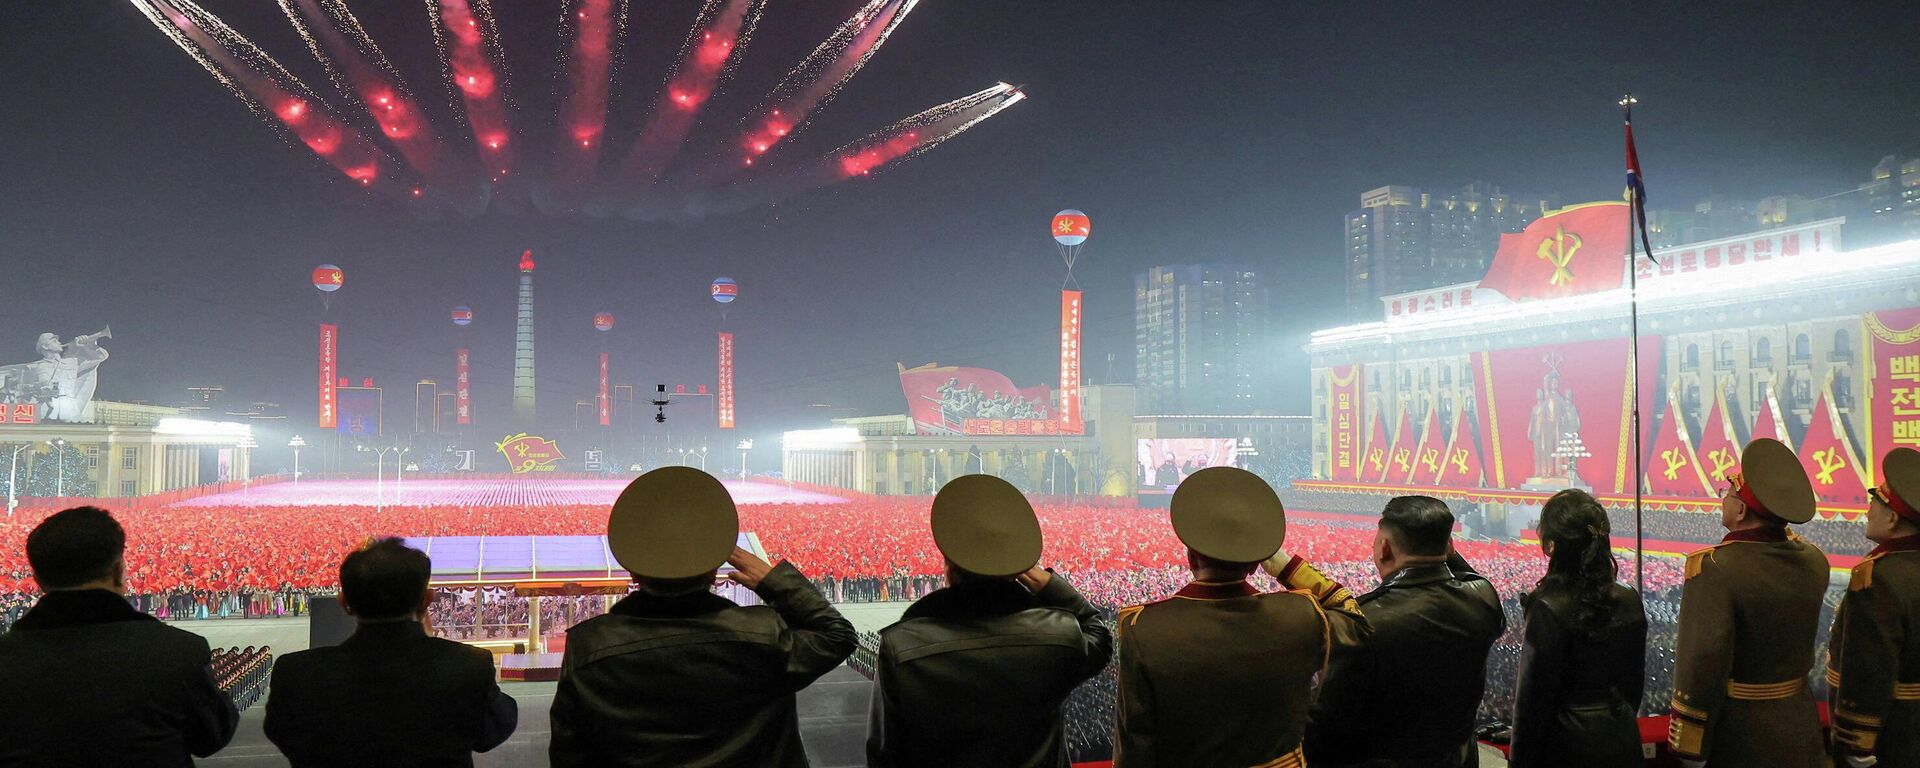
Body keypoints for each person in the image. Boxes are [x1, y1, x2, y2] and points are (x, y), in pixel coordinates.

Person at [549, 467, 855, 767]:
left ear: (632, 568)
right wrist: (773, 581)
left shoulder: (588, 646)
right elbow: (837, 635)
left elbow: (570, 753)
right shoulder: (762, 635)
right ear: (713, 569)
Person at [1114, 467, 1369, 767]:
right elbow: (1355, 622)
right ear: (1255, 565)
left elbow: (1136, 743)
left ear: (1190, 557)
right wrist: (1287, 567)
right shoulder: (1299, 616)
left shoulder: (1144, 630)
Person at [866, 474, 1113, 767]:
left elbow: (884, 753)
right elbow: (1098, 633)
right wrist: (1045, 581)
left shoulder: (901, 646)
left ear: (948, 569)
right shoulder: (1057, 635)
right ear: (1015, 572)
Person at [0, 506, 238, 765]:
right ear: (118, 571)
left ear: (37, 579)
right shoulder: (176, 652)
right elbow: (210, 737)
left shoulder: (7, 658)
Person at [264, 537, 518, 766]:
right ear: (426, 600)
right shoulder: (466, 666)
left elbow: (285, 736)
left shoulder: (297, 675)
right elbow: (493, 731)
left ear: (344, 603)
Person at [1306, 494, 1504, 768]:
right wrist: (1441, 544)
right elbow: (1465, 574)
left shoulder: (1364, 622)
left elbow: (1327, 725)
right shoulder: (1483, 599)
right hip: (1458, 759)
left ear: (1384, 548)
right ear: (1449, 546)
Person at [1667, 437, 1827, 767]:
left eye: (1728, 494)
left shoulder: (1714, 569)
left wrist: (1690, 744)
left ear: (1740, 511)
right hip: (1800, 723)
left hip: (1742, 735)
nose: (1722, 499)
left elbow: (1701, 663)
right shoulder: (1814, 561)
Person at [1508, 488, 1647, 767]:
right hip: (1621, 739)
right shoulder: (1630, 598)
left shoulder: (1548, 607)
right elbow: (1633, 686)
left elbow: (1532, 703)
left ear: (1551, 545)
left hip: (1565, 748)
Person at [1828, 447, 1920, 767]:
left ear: (1893, 518)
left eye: (1873, 503)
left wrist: (1857, 744)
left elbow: (1868, 669)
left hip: (1897, 736)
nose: (1867, 512)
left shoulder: (1879, 578)